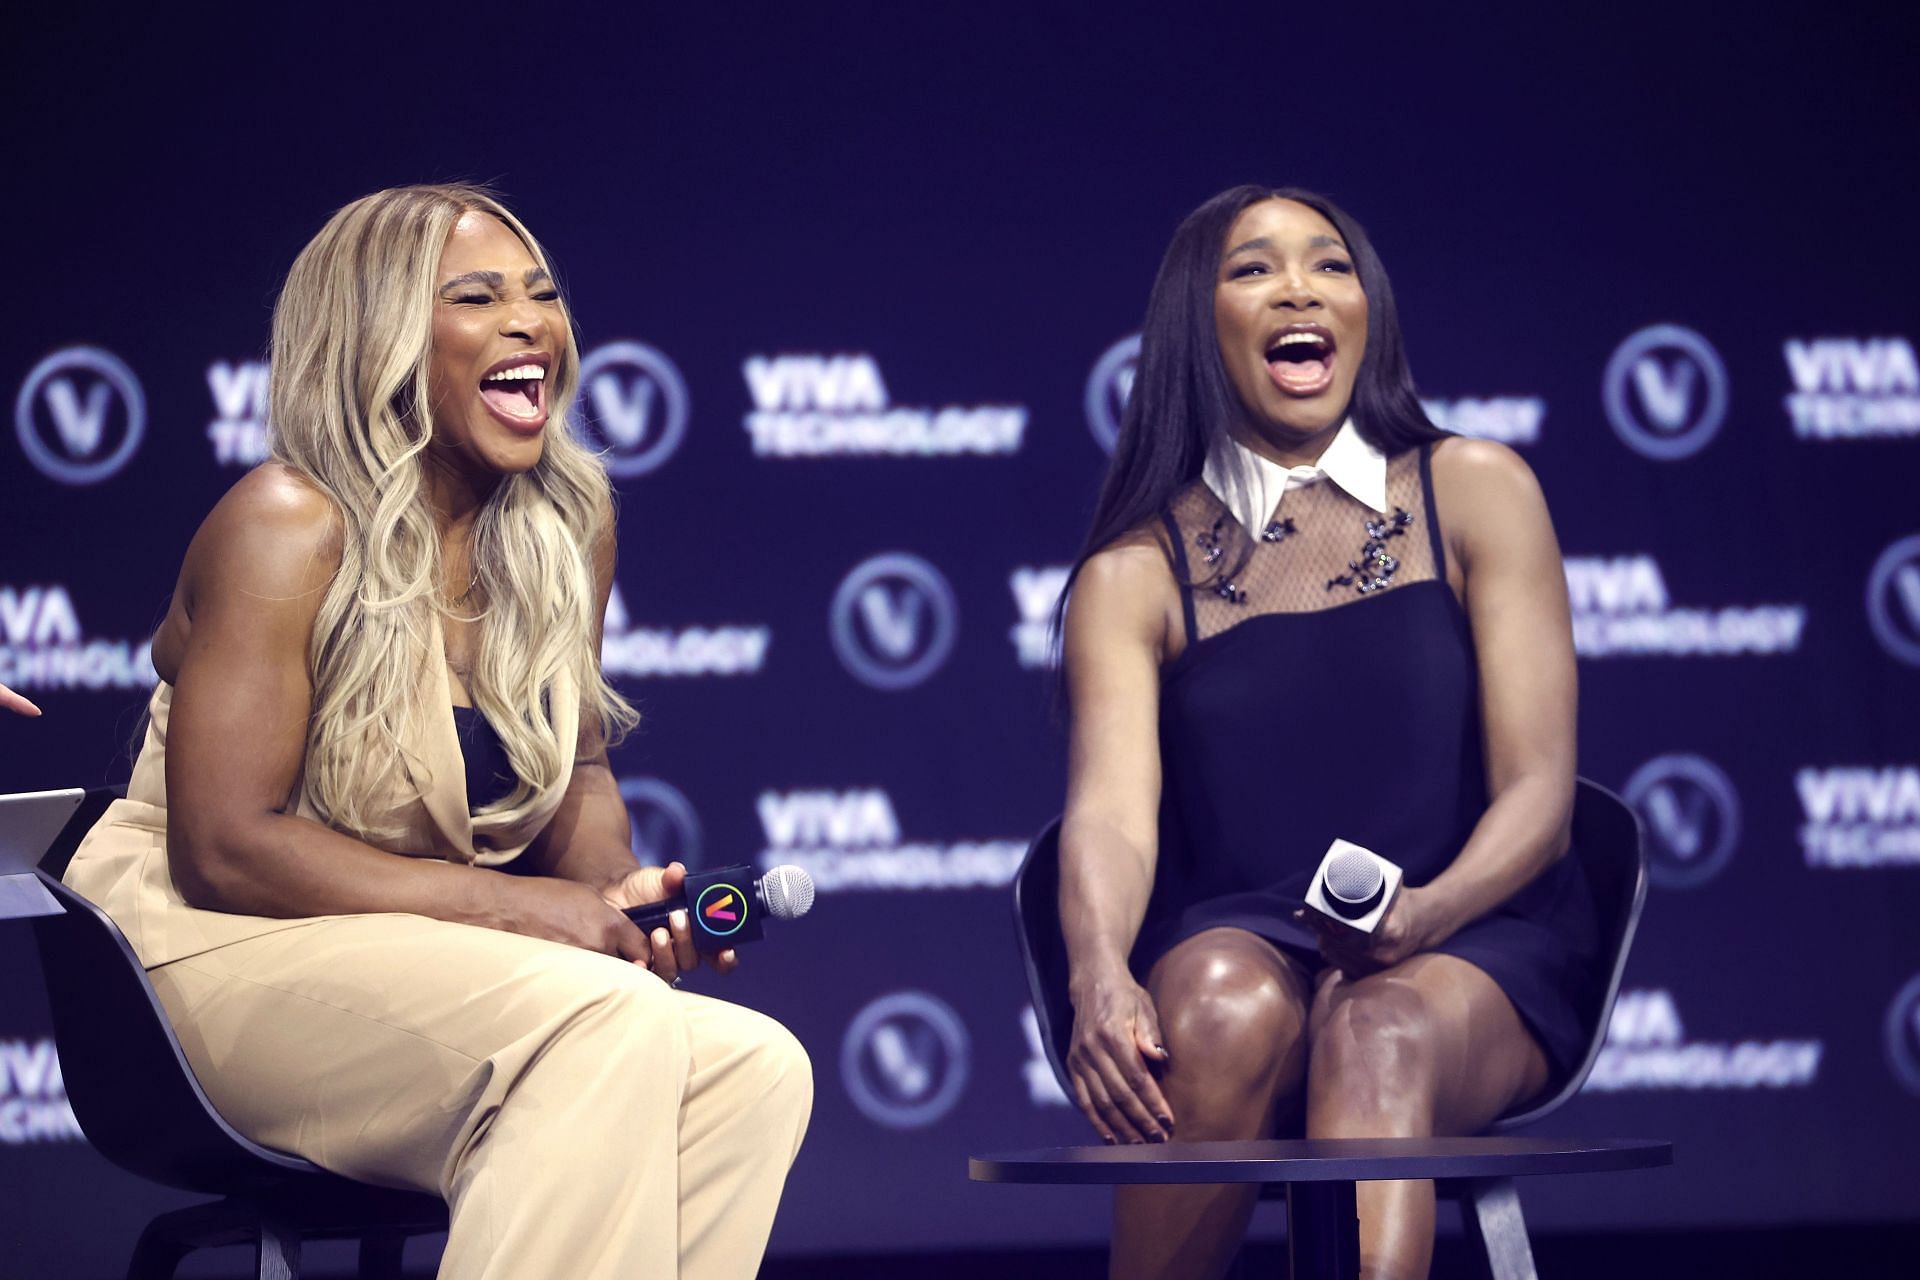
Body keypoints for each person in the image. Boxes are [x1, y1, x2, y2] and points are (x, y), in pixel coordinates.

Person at [62, 184, 811, 1280]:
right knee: (600, 1026)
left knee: (752, 1065)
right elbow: (222, 846)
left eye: (542, 295)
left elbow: (580, 765)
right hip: (201, 958)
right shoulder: (286, 522)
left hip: (424, 953)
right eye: (478, 297)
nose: (530, 324)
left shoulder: (568, 523)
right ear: (382, 338)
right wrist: (527, 911)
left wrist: (615, 903)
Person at [1055, 185, 1598, 1280]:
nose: (1299, 287)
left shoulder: (1476, 489)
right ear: (1195, 327)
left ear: (1367, 310)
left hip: (1471, 936)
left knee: (1375, 1024)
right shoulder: (1135, 574)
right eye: (1253, 268)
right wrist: (1100, 971)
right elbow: (1111, 815)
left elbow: (1541, 791)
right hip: (1245, 932)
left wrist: (1425, 912)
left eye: (1330, 264)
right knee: (1208, 1005)